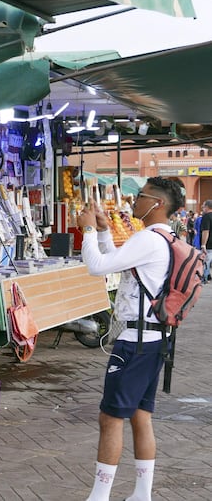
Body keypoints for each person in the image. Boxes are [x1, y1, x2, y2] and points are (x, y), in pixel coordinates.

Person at [78, 176, 185, 501]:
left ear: (159, 204)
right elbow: (125, 265)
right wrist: (104, 230)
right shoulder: (164, 238)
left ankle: (99, 496)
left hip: (136, 343)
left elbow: (97, 267)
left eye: (142, 195)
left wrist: (86, 230)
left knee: (110, 418)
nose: (135, 200)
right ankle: (141, 493)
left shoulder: (149, 239)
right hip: (155, 340)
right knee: (140, 416)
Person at [199, 199, 212, 281]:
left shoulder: (206, 217)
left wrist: (203, 244)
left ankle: (205, 277)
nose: (202, 208)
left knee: (205, 261)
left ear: (207, 207)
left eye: (203, 206)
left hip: (209, 244)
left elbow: (205, 231)